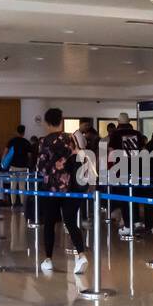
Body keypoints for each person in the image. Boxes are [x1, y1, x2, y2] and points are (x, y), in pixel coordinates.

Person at [34, 108, 89, 275]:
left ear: (46, 122)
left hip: (50, 188)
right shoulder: (70, 138)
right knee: (71, 222)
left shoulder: (44, 141)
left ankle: (48, 259)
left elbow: (41, 167)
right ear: (61, 120)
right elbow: (80, 157)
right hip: (71, 188)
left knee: (49, 223)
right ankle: (81, 255)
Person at [3, 125, 32, 206]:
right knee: (22, 186)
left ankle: (13, 203)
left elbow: (5, 152)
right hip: (23, 167)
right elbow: (29, 156)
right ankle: (23, 203)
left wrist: (3, 162)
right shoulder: (27, 142)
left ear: (16, 131)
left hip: (13, 166)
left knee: (13, 185)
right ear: (24, 132)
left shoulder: (12, 141)